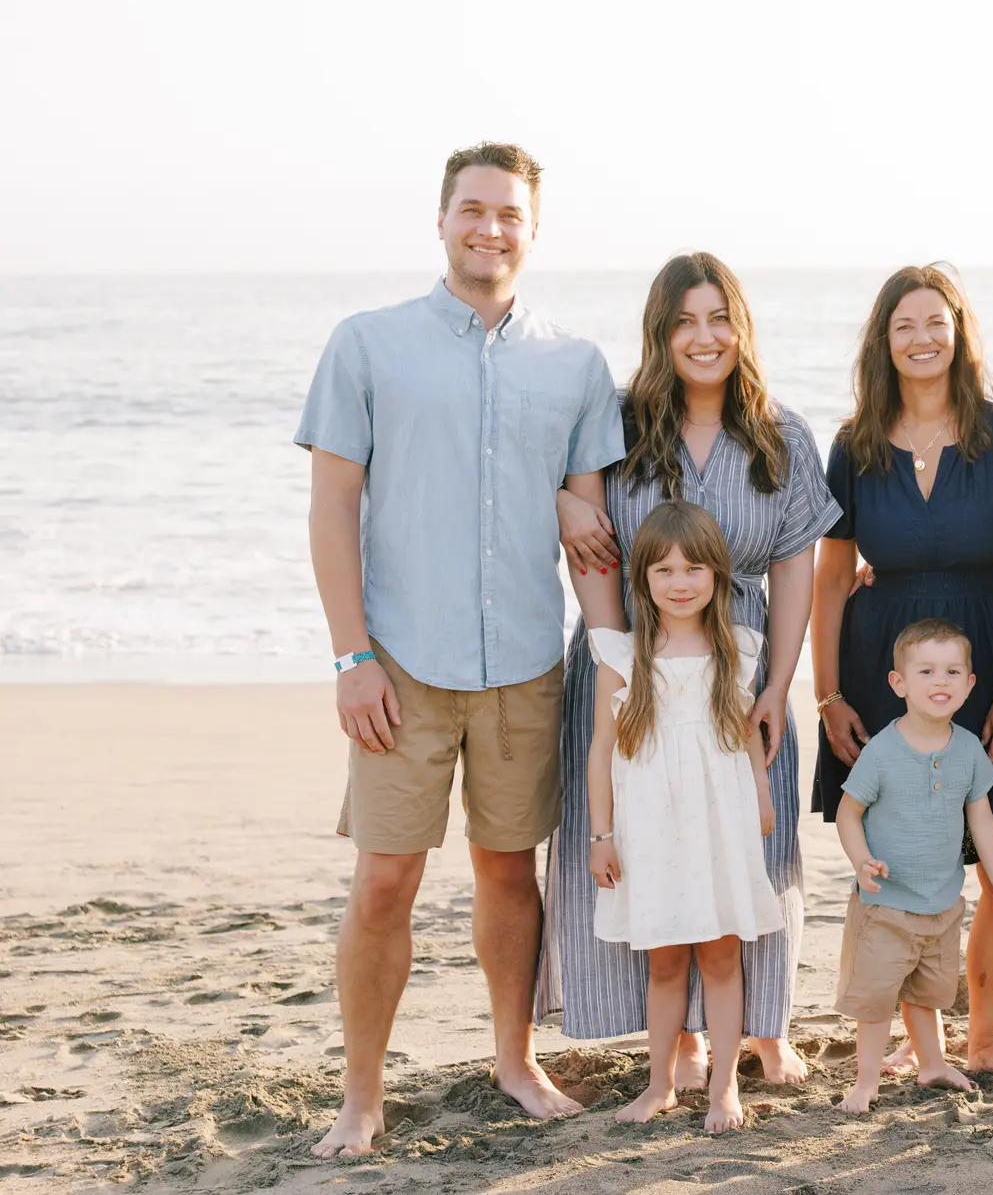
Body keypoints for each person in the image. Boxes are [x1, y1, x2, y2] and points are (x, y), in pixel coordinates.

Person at [294, 143, 624, 1157]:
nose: (490, 228)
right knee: (384, 879)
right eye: (472, 209)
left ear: (533, 229)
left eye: (509, 214)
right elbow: (332, 507)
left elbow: (593, 528)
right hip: (400, 665)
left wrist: (616, 662)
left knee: (507, 871)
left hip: (526, 660)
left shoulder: (574, 362)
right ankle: (362, 1093)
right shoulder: (368, 343)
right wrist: (350, 657)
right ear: (441, 220)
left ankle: (514, 1059)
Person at [542, 252, 842, 1088]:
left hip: (738, 667)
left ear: (739, 329)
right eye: (684, 322)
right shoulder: (618, 424)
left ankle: (762, 1025)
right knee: (639, 840)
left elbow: (792, 569)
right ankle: (666, 1034)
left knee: (751, 843)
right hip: (630, 658)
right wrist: (613, 659)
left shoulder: (781, 435)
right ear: (660, 333)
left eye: (718, 319)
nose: (703, 338)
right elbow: (591, 545)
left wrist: (779, 684)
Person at [809, 264, 993, 1091]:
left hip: (988, 656)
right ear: (882, 341)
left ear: (960, 334)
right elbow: (828, 574)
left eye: (936, 323)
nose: (922, 340)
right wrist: (828, 694)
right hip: (883, 666)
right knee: (895, 863)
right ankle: (910, 1038)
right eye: (903, 326)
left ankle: (986, 1039)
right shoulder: (854, 444)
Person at [583, 501, 783, 1131]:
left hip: (718, 824)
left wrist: (761, 793)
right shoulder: (621, 653)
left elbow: (747, 735)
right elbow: (600, 751)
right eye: (664, 569)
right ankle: (660, 1085)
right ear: (642, 578)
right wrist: (601, 835)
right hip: (648, 828)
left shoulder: (740, 648)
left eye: (694, 568)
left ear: (718, 576)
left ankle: (724, 1087)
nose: (680, 582)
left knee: (722, 956)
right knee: (665, 961)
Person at [832, 619, 993, 1114]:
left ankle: (934, 1063)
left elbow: (982, 821)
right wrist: (861, 863)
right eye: (925, 671)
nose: (939, 681)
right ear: (899, 683)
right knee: (877, 1000)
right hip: (885, 904)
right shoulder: (882, 750)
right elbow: (847, 813)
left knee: (927, 993)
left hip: (942, 902)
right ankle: (865, 1083)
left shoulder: (966, 748)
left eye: (952, 671)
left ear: (969, 684)